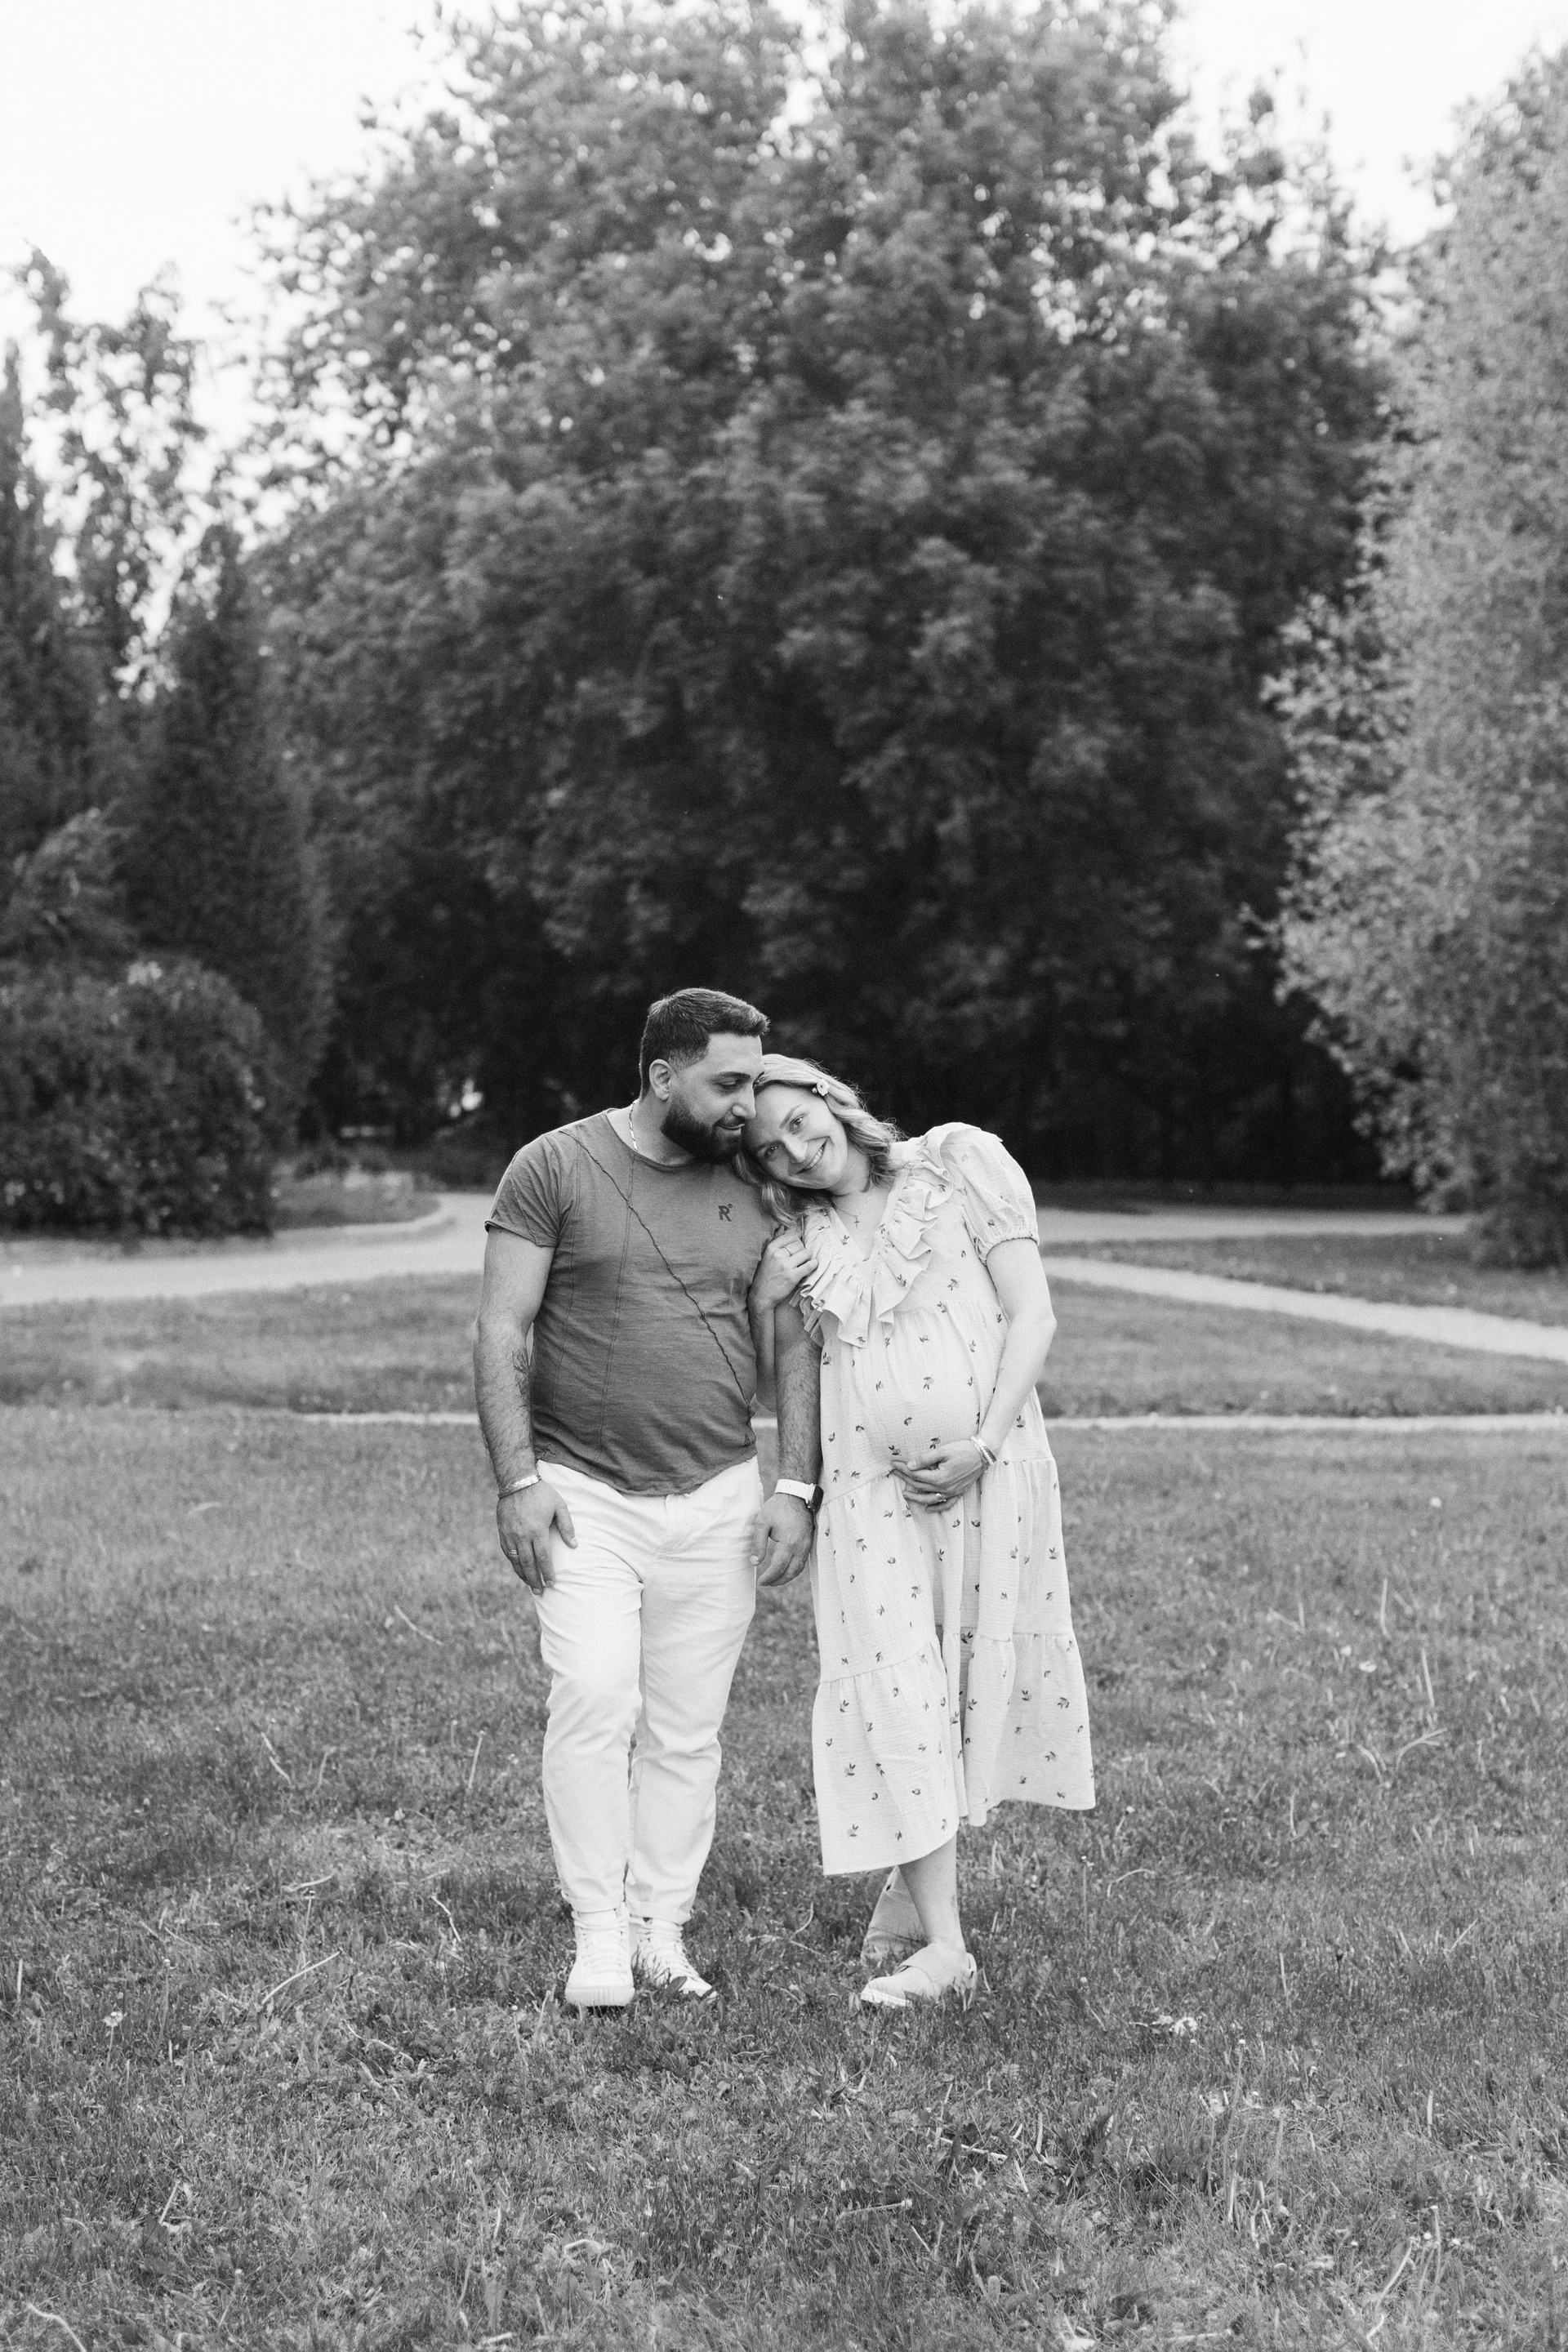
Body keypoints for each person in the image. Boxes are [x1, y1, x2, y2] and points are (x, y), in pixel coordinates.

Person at [474, 991, 822, 2011]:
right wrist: (518, 1483)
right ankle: (597, 1936)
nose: (747, 1105)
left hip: (719, 1496)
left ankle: (659, 1933)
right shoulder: (553, 1167)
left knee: (686, 1731)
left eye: (754, 1082)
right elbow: (502, 1329)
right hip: (583, 1494)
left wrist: (796, 1485)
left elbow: (793, 1347)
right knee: (593, 1698)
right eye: (728, 1083)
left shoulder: (758, 1184)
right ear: (663, 1076)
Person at [742, 1057, 1094, 2008]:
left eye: (796, 1121)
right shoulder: (797, 1242)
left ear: (828, 1097)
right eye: (769, 1149)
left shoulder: (958, 1164)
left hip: (990, 1473)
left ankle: (914, 1890)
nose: (794, 1150)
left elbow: (1033, 1315)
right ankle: (948, 1950)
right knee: (898, 1681)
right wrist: (768, 1303)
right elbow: (787, 1381)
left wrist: (984, 1443)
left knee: (958, 1678)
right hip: (868, 1500)